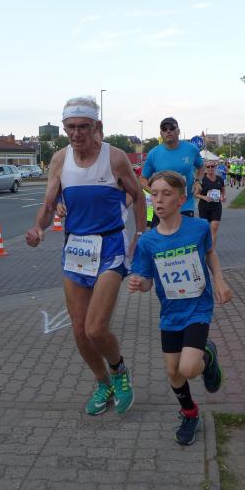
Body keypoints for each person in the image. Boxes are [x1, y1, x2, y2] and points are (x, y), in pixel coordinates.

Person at [26, 96, 145, 416]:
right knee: (79, 330)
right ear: (64, 128)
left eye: (83, 127)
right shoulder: (59, 159)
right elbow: (49, 203)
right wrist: (38, 228)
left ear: (97, 127)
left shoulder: (115, 158)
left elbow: (138, 195)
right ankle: (103, 383)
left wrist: (140, 235)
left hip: (110, 247)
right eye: (71, 127)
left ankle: (120, 372)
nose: (77, 133)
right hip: (76, 249)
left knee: (95, 329)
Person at [128, 170, 231, 445]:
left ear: (181, 199)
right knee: (173, 372)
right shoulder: (148, 241)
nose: (159, 200)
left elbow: (209, 253)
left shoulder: (198, 228)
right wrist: (139, 283)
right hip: (170, 313)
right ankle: (190, 413)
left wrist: (219, 279)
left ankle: (207, 355)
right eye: (154, 194)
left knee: (187, 368)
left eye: (166, 194)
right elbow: (147, 282)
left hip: (198, 307)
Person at [140, 117, 204, 227]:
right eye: (164, 129)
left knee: (184, 238)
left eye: (172, 128)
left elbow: (201, 167)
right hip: (162, 207)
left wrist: (198, 181)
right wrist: (155, 192)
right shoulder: (154, 153)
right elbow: (143, 178)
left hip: (184, 206)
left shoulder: (191, 149)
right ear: (161, 133)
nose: (168, 131)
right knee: (157, 237)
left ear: (178, 131)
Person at [195, 160, 226, 247]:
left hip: (216, 207)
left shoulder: (219, 179)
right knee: (205, 229)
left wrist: (223, 196)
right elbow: (195, 194)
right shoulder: (202, 180)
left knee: (214, 229)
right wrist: (204, 197)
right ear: (205, 168)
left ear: (215, 167)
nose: (210, 168)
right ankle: (205, 247)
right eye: (208, 166)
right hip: (204, 207)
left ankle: (211, 250)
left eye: (212, 166)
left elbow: (223, 190)